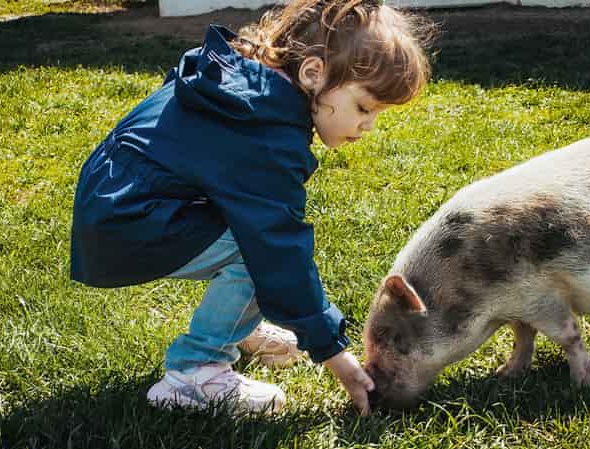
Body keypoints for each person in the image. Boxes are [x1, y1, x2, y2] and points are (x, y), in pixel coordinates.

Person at [70, 0, 434, 416]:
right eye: (364, 108)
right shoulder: (265, 132)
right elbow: (278, 252)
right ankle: (195, 373)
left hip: (116, 202)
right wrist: (334, 351)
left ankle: (235, 323)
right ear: (313, 73)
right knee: (258, 251)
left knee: (255, 237)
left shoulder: (249, 83)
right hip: (127, 221)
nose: (368, 125)